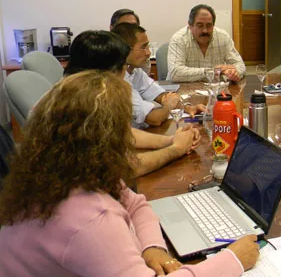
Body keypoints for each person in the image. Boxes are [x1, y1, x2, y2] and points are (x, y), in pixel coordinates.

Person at [0, 71, 260, 277]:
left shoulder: (58, 173)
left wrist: (152, 247)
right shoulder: (90, 216)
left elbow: (134, 202)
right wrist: (234, 259)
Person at [65, 30, 201, 177]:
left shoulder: (74, 90)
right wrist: (176, 149)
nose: (126, 73)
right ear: (108, 72)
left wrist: (171, 140)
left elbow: (124, 133)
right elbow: (125, 167)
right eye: (123, 66)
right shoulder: (84, 105)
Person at [112, 23, 205, 128]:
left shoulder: (135, 71)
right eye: (143, 47)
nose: (148, 53)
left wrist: (187, 108)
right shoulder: (116, 80)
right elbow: (154, 119)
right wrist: (168, 106)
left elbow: (162, 96)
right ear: (125, 50)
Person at [167, 4, 245, 82]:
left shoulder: (223, 37)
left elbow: (240, 66)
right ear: (190, 26)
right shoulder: (179, 39)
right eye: (200, 25)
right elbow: (175, 73)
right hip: (182, 90)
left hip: (215, 90)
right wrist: (213, 71)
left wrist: (233, 73)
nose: (205, 30)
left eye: (209, 25)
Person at [109, 8, 151, 76]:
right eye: (124, 26)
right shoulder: (105, 63)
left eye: (134, 26)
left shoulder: (137, 66)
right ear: (112, 28)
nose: (130, 30)